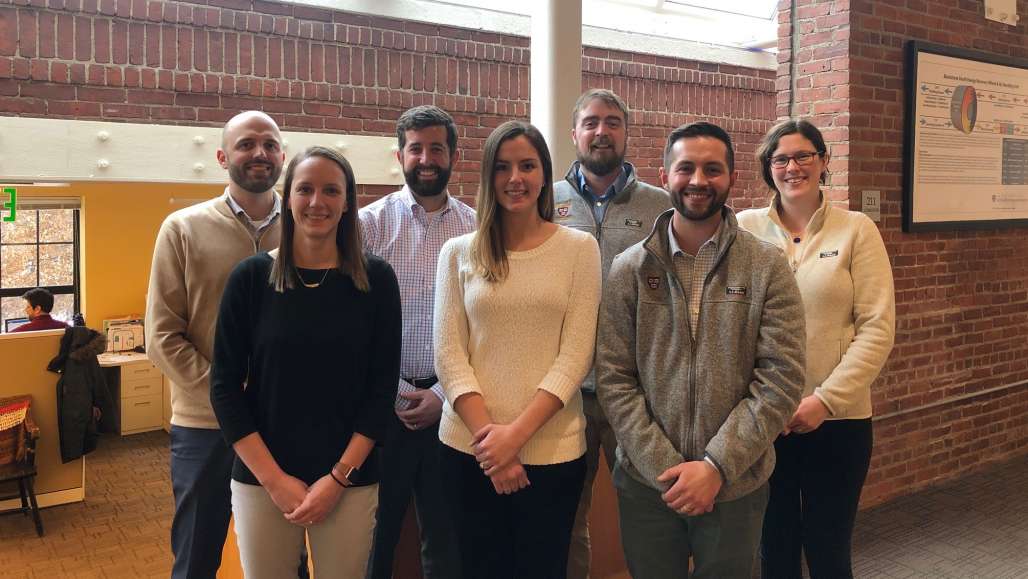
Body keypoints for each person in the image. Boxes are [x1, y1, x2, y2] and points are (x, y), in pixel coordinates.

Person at [596, 121, 806, 579]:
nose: (698, 181)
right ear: (665, 174)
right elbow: (614, 377)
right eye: (685, 168)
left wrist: (715, 466)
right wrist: (666, 469)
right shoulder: (629, 268)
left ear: (732, 177)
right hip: (648, 487)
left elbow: (781, 378)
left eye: (713, 169)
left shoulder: (767, 265)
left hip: (734, 486)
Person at [210, 146, 401, 578]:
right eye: (306, 189)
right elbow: (224, 388)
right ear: (289, 197)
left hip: (350, 479)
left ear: (348, 201)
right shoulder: (251, 279)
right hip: (263, 478)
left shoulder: (378, 282)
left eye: (331, 190)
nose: (318, 202)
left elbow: (380, 391)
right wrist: (275, 482)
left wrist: (337, 479)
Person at [433, 120, 601, 578]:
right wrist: (493, 445)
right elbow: (449, 356)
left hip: (551, 452)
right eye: (503, 167)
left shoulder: (579, 250)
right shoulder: (458, 253)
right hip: (468, 453)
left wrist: (514, 439)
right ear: (488, 177)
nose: (515, 178)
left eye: (527, 166)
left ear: (545, 174)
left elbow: (576, 355)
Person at [737, 119, 896, 579]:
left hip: (839, 421)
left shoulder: (857, 230)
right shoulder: (744, 228)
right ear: (768, 168)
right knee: (774, 549)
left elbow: (877, 328)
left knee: (828, 550)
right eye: (780, 158)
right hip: (764, 420)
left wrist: (824, 401)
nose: (792, 167)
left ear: (824, 161)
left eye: (804, 155)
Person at [145, 110, 284, 579]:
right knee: (196, 556)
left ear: (282, 156)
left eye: (269, 143)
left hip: (283, 424)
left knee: (284, 559)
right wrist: (229, 395)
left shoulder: (310, 228)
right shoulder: (182, 228)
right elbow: (162, 336)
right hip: (205, 427)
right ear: (223, 157)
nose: (259, 152)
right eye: (246, 144)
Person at [553, 88, 671, 579]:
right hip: (565, 393)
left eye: (613, 122)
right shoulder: (547, 201)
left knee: (647, 514)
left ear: (626, 131)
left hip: (635, 391)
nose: (602, 131)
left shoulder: (660, 205)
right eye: (592, 122)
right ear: (575, 133)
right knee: (563, 520)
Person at [361, 105, 473, 579]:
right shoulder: (369, 225)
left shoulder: (476, 228)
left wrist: (442, 396)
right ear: (400, 155)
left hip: (453, 406)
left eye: (436, 148)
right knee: (374, 537)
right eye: (416, 148)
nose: (426, 158)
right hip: (379, 407)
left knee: (446, 542)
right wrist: (390, 391)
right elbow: (352, 321)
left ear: (452, 155)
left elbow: (482, 326)